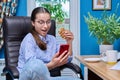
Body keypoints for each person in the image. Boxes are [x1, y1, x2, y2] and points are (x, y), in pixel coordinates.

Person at [17, 7, 81, 80]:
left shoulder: (52, 39)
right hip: (30, 78)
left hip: (49, 77)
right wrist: (52, 65)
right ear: (33, 23)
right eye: (41, 22)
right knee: (36, 65)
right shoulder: (29, 39)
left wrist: (69, 42)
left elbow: (68, 59)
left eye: (48, 22)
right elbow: (33, 69)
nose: (45, 26)